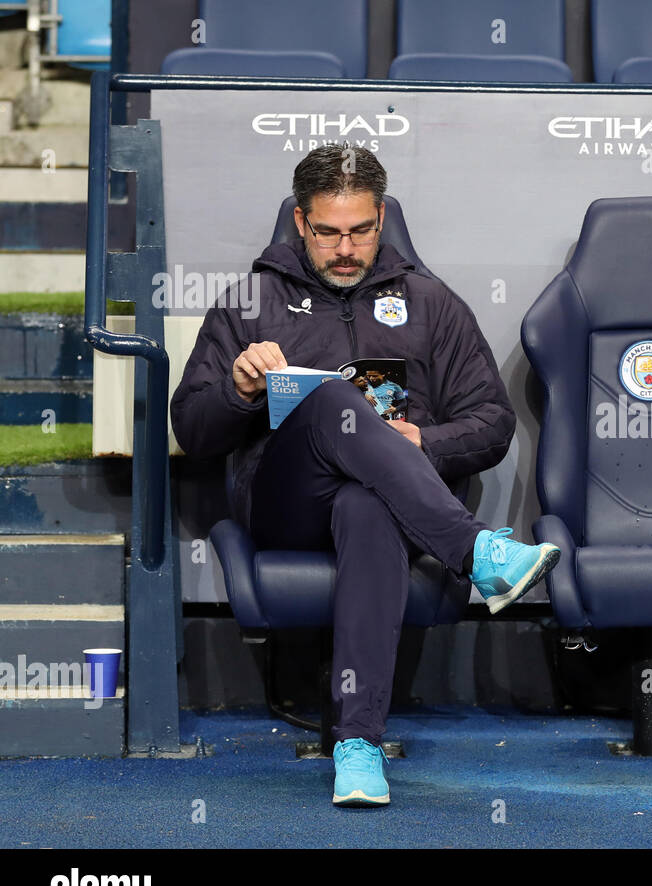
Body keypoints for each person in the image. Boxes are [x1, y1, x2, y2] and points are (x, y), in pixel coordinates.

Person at [171, 144, 558, 808]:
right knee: (329, 400)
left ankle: (357, 744)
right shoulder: (249, 304)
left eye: (361, 229)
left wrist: (420, 442)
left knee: (368, 505)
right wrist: (237, 390)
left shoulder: (432, 304)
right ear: (300, 222)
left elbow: (493, 420)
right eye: (327, 232)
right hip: (283, 500)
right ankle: (477, 552)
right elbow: (192, 430)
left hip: (387, 508)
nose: (345, 247)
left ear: (382, 218)